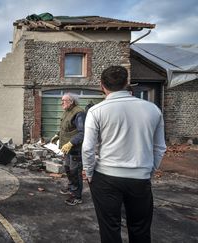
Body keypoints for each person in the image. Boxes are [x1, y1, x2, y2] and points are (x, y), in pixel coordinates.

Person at [82, 66, 166, 243]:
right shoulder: (152, 110)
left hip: (106, 177)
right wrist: (148, 172)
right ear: (126, 83)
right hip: (140, 178)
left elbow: (88, 148)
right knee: (140, 229)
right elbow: (159, 147)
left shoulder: (96, 111)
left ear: (101, 85)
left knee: (110, 229)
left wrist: (89, 173)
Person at [50, 93, 85, 206]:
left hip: (75, 148)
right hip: (67, 149)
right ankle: (71, 188)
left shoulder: (79, 113)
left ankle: (77, 196)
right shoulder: (68, 111)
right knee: (68, 169)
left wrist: (71, 143)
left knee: (75, 172)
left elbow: (82, 132)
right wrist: (57, 135)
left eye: (64, 101)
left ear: (71, 101)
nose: (61, 103)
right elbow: (66, 128)